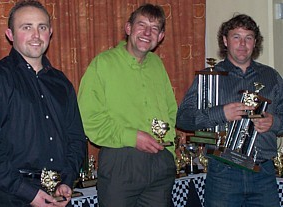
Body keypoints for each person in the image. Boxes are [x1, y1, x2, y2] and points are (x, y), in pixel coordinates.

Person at [0, 0, 86, 206]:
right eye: (26, 27)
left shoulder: (62, 83)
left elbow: (76, 138)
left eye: (42, 27)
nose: (36, 35)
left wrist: (66, 180)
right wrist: (28, 193)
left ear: (50, 32)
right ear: (10, 35)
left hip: (56, 195)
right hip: (8, 197)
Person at [176, 14, 283, 207]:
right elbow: (183, 119)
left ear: (255, 42)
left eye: (248, 37)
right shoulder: (208, 78)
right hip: (223, 174)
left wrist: (273, 122)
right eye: (236, 37)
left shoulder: (271, 77)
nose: (242, 44)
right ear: (225, 41)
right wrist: (220, 113)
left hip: (263, 173)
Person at [77, 3, 177, 207]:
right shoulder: (103, 64)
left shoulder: (158, 65)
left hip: (160, 163)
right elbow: (89, 119)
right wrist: (132, 137)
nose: (147, 32)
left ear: (160, 37)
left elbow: (170, 112)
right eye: (141, 25)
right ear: (128, 28)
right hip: (120, 161)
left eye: (155, 28)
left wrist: (169, 155)